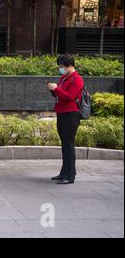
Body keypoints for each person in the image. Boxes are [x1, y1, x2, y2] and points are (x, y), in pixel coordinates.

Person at [47, 54, 84, 185]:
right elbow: (61, 94)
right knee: (64, 145)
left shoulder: (77, 79)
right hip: (62, 113)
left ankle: (70, 176)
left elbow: (71, 97)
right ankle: (64, 172)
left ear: (69, 66)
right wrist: (53, 90)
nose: (60, 69)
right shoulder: (64, 78)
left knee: (69, 145)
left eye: (62, 67)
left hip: (71, 115)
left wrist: (57, 89)